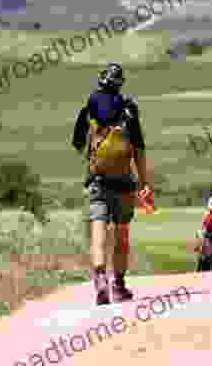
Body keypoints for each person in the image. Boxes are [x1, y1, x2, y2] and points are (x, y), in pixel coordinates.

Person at [72, 62, 154, 305]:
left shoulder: (90, 105)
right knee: (121, 234)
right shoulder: (129, 109)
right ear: (120, 83)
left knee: (98, 229)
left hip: (98, 179)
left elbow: (77, 142)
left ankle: (99, 279)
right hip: (124, 182)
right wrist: (143, 183)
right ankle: (118, 284)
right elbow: (138, 149)